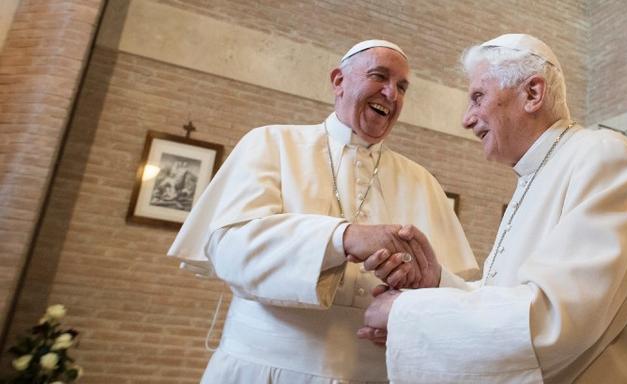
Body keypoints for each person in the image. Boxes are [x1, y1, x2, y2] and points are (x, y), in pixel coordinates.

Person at [358, 34, 627, 383]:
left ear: (532, 93)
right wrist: (436, 282)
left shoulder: (603, 155)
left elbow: (558, 317)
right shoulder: (534, 176)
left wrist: (406, 312)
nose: (467, 119)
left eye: (478, 97)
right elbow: (507, 299)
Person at [167, 39, 478, 383]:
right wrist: (342, 237)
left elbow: (452, 291)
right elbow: (230, 250)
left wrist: (411, 319)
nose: (392, 93)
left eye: (402, 86)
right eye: (380, 77)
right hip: (262, 371)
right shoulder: (271, 144)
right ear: (338, 81)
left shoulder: (423, 182)